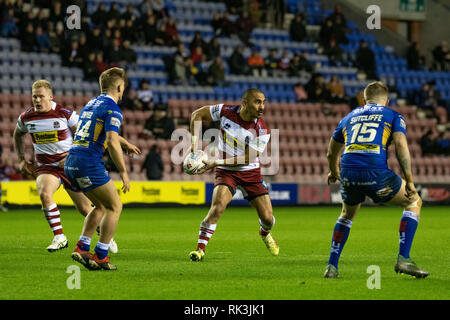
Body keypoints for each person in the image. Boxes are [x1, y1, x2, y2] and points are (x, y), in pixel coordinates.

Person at [324, 81, 429, 279]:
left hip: (348, 172)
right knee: (414, 201)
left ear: (364, 100)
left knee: (347, 214)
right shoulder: (392, 115)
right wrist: (410, 181)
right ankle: (403, 259)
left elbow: (331, 153)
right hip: (375, 173)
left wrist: (333, 172)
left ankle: (332, 267)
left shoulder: (348, 118)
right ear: (387, 101)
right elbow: (401, 146)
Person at [12, 80, 118, 253]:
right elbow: (17, 135)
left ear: (50, 97)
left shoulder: (64, 114)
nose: (37, 100)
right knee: (45, 194)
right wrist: (21, 158)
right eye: (34, 97)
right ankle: (59, 237)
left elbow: (84, 135)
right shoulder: (26, 117)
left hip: (70, 166)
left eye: (41, 97)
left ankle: (103, 233)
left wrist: (70, 155)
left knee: (85, 208)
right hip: (47, 167)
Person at [188, 88, 279, 262]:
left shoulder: (262, 130)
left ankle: (264, 232)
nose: (262, 107)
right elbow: (197, 115)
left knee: (268, 218)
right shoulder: (225, 111)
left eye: (264, 102)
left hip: (250, 172)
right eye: (257, 102)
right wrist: (195, 147)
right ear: (244, 103)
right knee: (218, 207)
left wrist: (216, 162)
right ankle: (200, 250)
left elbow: (246, 159)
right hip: (226, 172)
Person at [65, 67, 141, 270]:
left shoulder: (91, 104)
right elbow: (110, 140)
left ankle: (82, 247)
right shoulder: (113, 108)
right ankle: (101, 256)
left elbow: (101, 132)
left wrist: (124, 143)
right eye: (123, 87)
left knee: (99, 206)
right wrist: (124, 172)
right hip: (89, 162)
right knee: (115, 206)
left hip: (72, 162)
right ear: (119, 86)